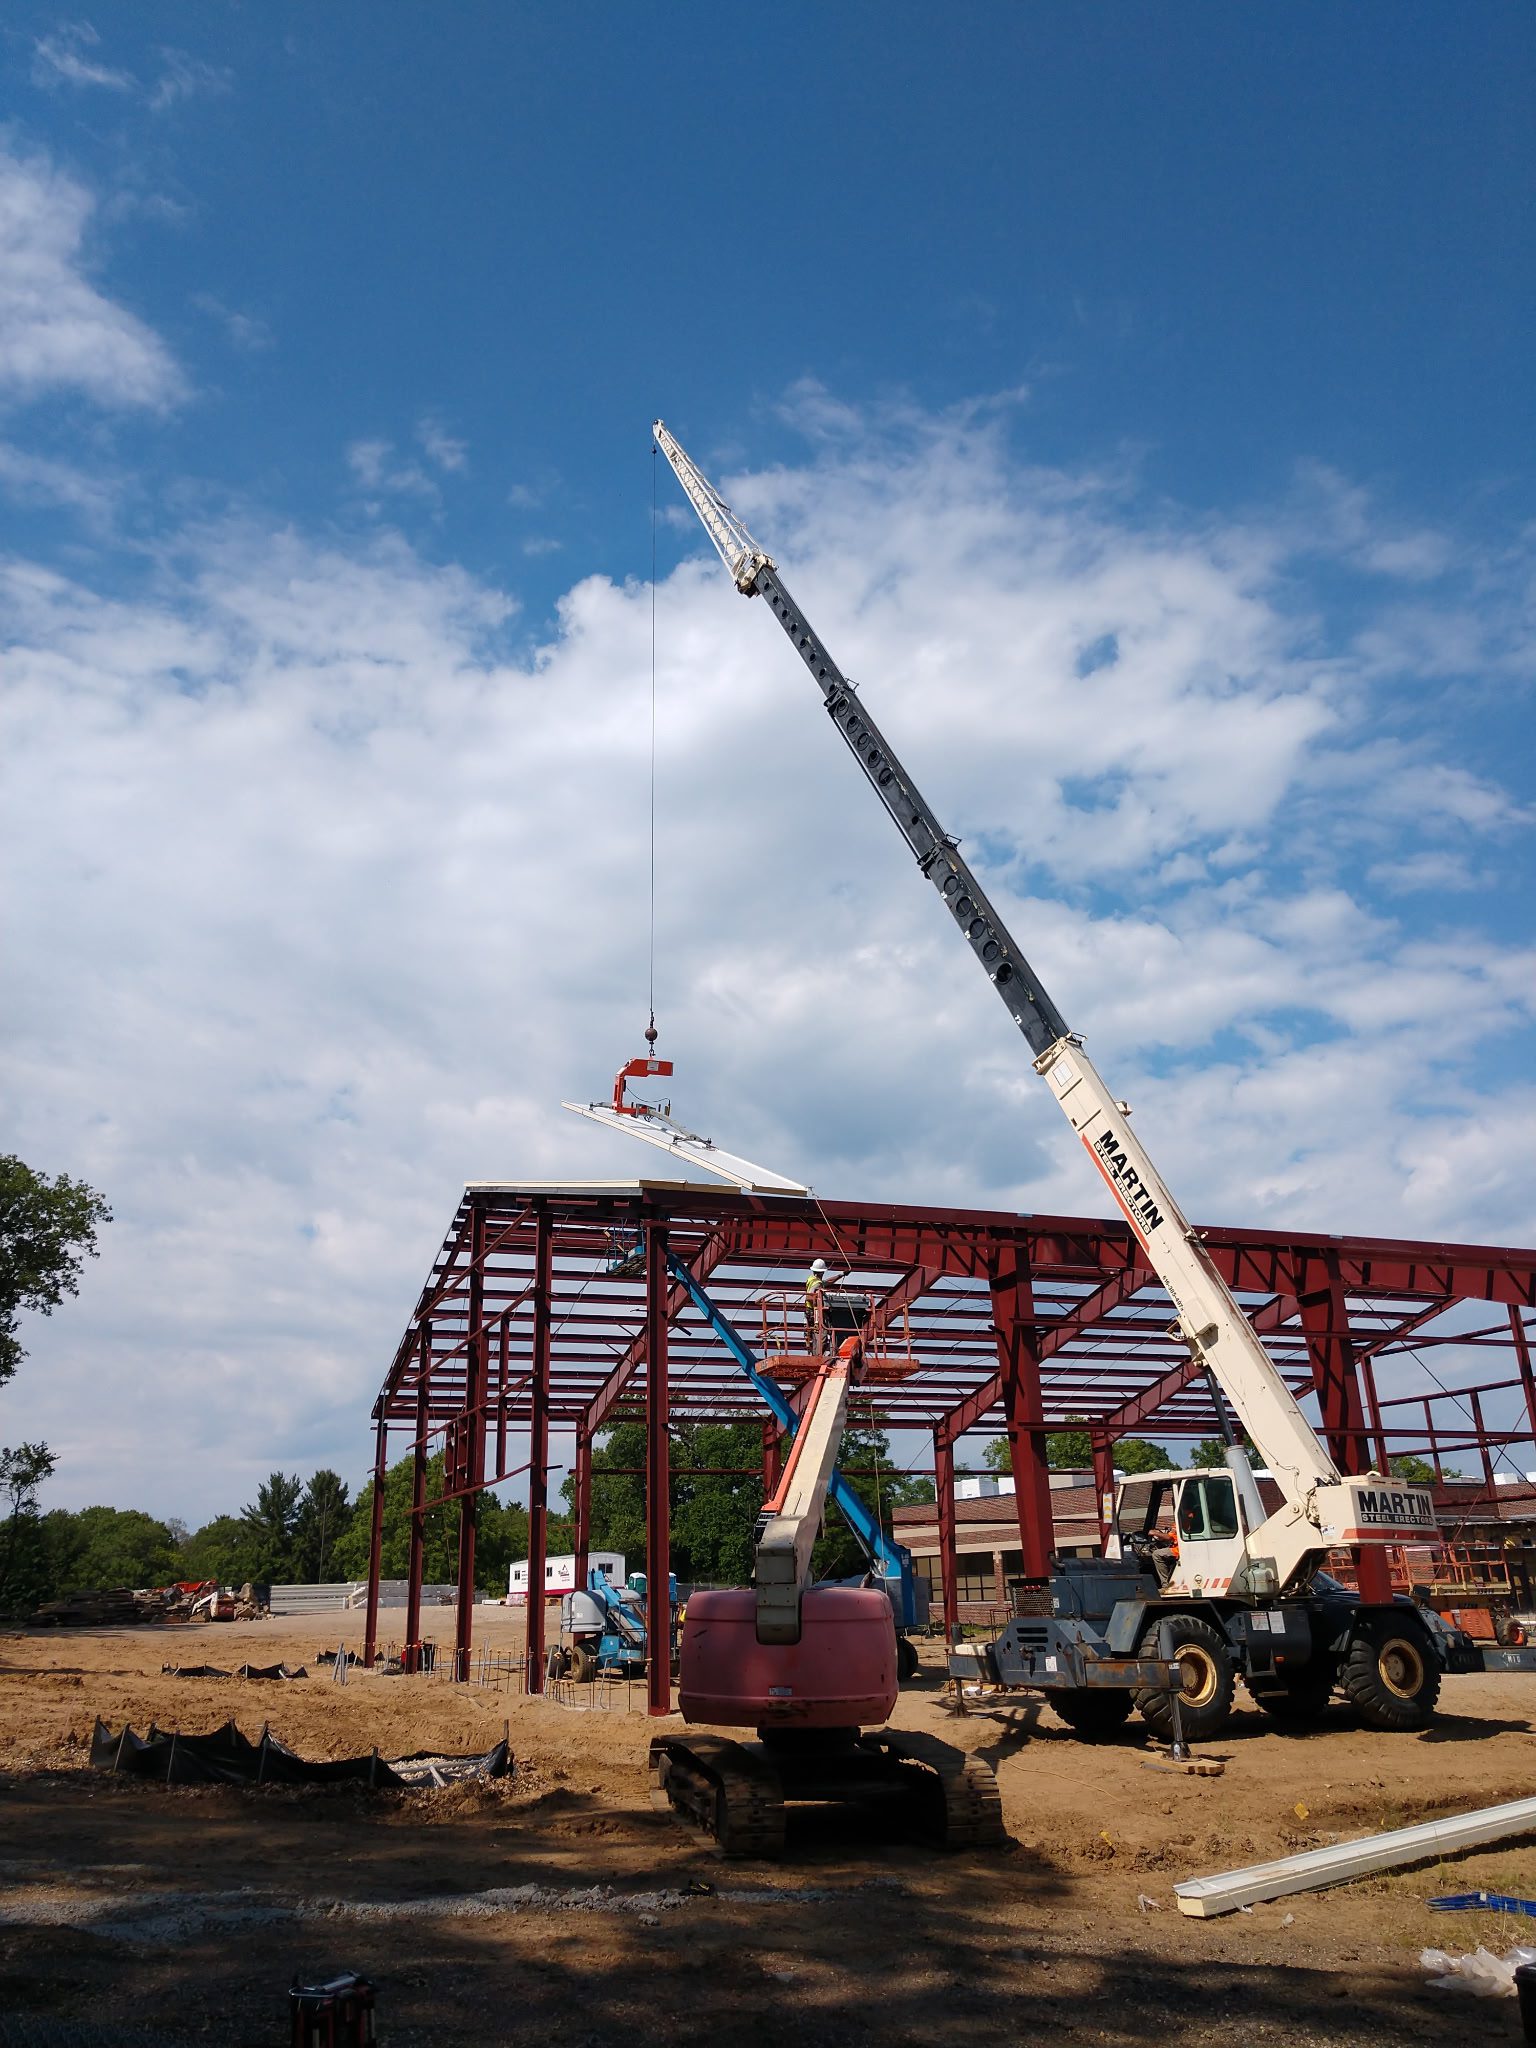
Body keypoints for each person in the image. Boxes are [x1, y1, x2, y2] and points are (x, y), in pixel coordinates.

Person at [804, 1257, 842, 1353]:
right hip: (814, 1312)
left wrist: (840, 1275)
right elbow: (809, 1296)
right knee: (822, 1336)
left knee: (815, 1336)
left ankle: (815, 1354)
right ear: (822, 1272)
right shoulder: (816, 1283)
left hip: (810, 1311)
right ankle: (817, 1357)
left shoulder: (812, 1279)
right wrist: (820, 1299)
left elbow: (827, 1282)